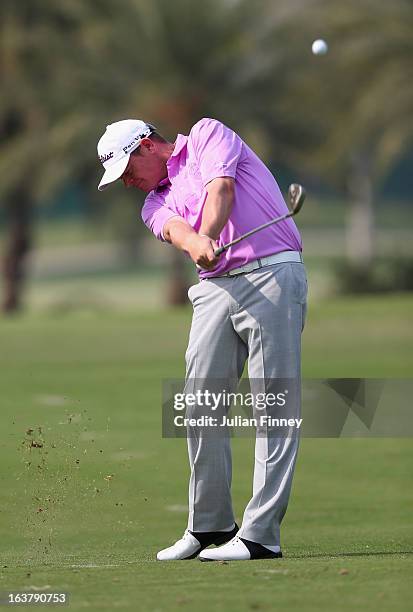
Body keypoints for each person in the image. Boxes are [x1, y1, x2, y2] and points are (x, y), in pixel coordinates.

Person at [97, 117, 308, 561]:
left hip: (270, 273)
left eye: (128, 171)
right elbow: (176, 230)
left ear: (147, 147)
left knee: (272, 406)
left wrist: (208, 235)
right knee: (200, 404)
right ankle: (210, 525)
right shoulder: (152, 205)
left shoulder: (208, 134)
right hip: (214, 288)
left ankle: (260, 536)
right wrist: (197, 241)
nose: (128, 183)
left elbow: (222, 190)